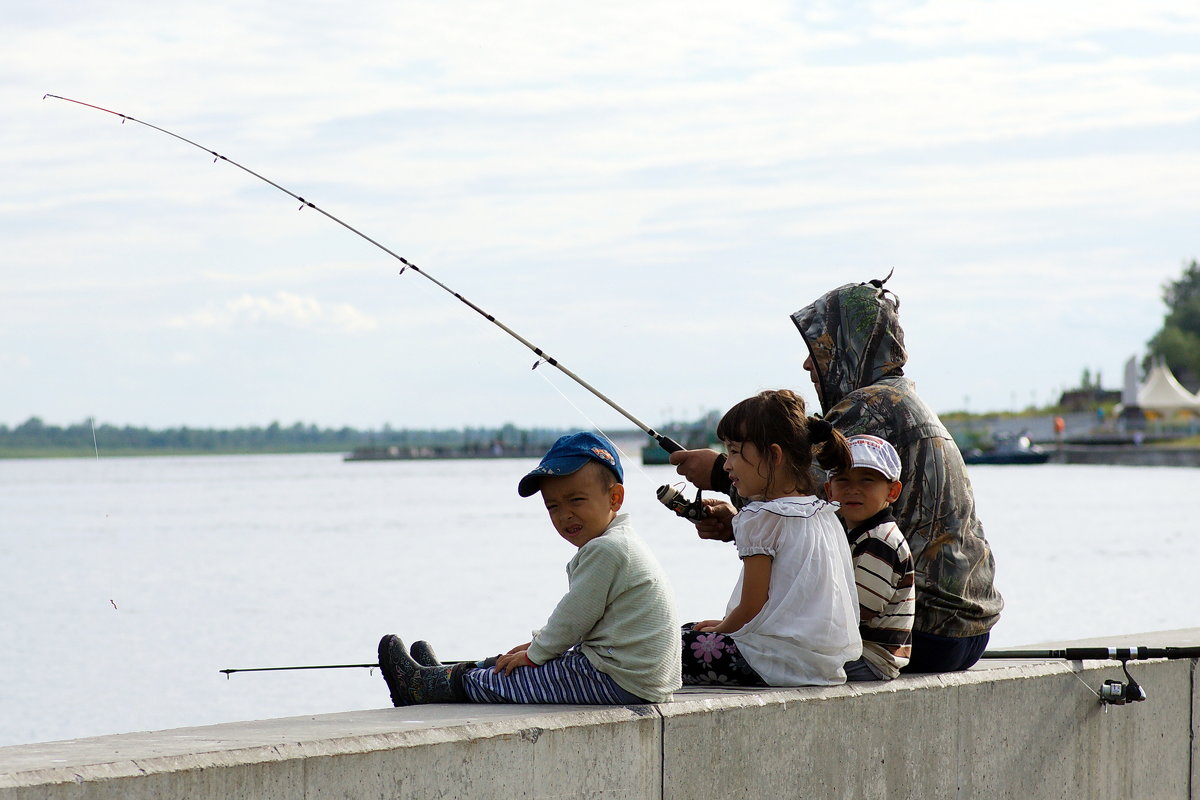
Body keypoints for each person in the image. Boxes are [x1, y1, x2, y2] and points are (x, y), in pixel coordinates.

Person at [670, 276, 1002, 673]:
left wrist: (720, 475)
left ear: (854, 348)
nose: (809, 363)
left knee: (693, 646)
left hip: (918, 633)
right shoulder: (903, 399)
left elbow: (796, 489)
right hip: (963, 630)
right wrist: (739, 523)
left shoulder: (871, 406)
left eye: (822, 349)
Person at [378, 431, 681, 706]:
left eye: (576, 500)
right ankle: (444, 674)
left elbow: (574, 616)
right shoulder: (622, 543)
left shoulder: (607, 549)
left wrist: (536, 654)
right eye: (553, 507)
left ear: (614, 498)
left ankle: (425, 686)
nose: (565, 515)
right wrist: (537, 647)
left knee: (516, 681)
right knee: (521, 662)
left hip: (620, 680)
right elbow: (581, 625)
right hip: (636, 678)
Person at [681, 389, 862, 688]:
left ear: (774, 455)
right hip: (819, 663)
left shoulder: (760, 517)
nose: (726, 464)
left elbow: (753, 603)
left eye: (736, 452)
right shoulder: (823, 512)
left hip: (769, 662)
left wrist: (723, 631)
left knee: (665, 645)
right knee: (695, 631)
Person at [825, 434, 915, 681]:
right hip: (854, 652)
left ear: (893, 491)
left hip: (871, 658)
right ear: (828, 489)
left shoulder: (880, 541)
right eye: (842, 480)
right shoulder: (855, 534)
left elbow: (857, 612)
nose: (853, 489)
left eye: (867, 480)